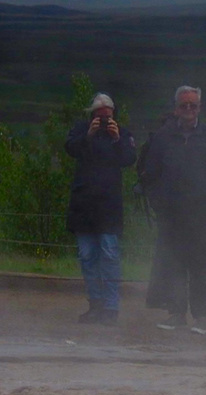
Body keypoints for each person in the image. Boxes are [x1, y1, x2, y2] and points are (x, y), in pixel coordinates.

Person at [138, 86, 206, 335]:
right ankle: (176, 314)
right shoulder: (163, 137)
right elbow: (150, 174)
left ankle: (201, 318)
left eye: (193, 105)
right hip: (171, 215)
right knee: (173, 265)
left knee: (201, 266)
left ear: (200, 108)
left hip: (202, 216)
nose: (188, 110)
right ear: (176, 108)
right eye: (184, 105)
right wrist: (158, 203)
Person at [63, 92, 137, 326]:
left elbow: (129, 159)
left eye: (108, 115)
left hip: (109, 205)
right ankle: (95, 305)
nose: (104, 120)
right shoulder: (81, 130)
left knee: (109, 254)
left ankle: (111, 307)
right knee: (87, 256)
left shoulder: (122, 133)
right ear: (92, 115)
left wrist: (116, 139)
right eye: (100, 116)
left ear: (113, 114)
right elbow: (70, 149)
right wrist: (89, 135)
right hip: (84, 204)